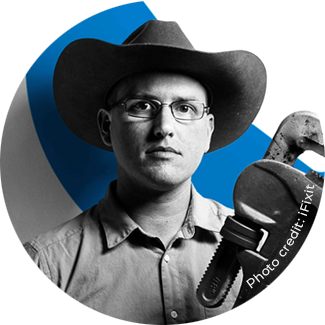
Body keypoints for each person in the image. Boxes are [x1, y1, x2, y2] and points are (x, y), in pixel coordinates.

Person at [0, 20, 281, 324]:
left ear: (208, 129)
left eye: (185, 108)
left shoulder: (270, 250)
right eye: (143, 106)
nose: (164, 128)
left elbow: (301, 315)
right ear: (108, 126)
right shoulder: (42, 266)